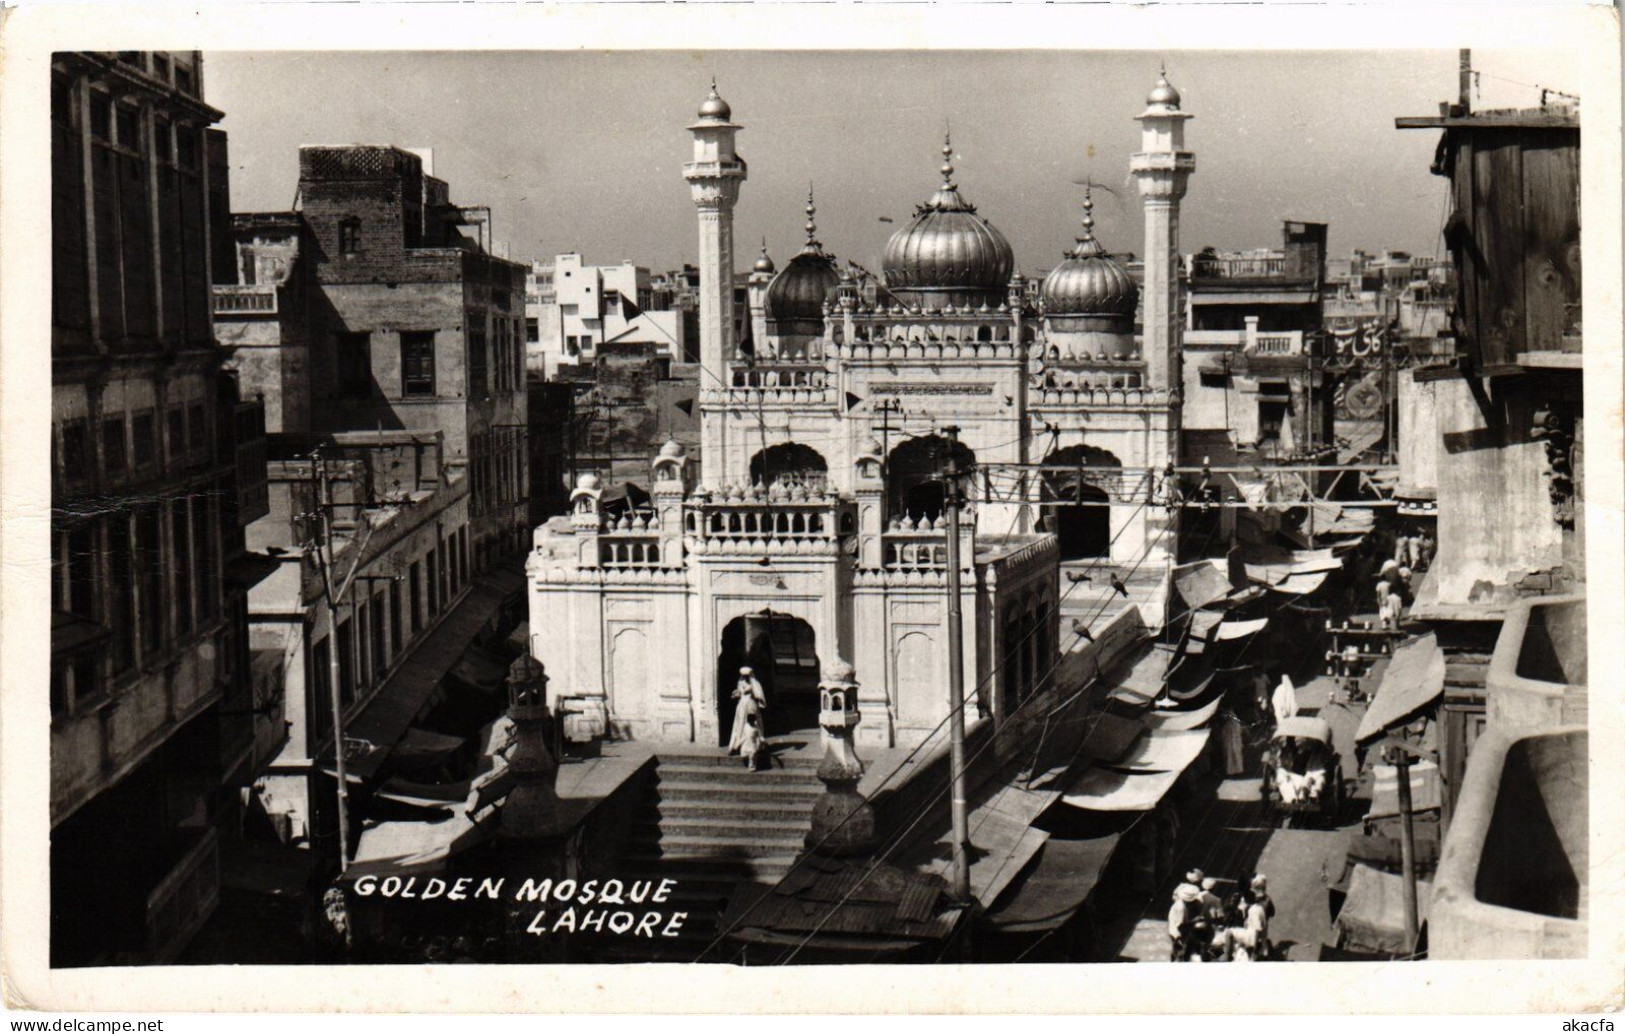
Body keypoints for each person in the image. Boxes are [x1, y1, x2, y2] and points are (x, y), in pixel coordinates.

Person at [727, 666, 768, 756]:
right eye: (743, 675)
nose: (745, 677)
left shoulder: (754, 683)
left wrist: (758, 698)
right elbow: (739, 693)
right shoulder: (740, 682)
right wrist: (736, 694)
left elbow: (759, 694)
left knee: (752, 724)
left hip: (750, 704)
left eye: (746, 675)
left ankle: (756, 745)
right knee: (740, 724)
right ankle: (737, 744)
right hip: (742, 705)